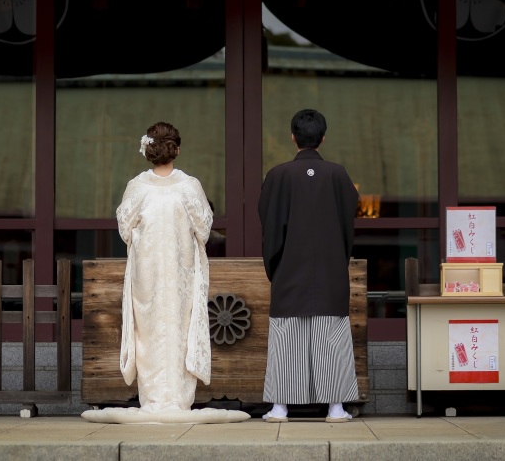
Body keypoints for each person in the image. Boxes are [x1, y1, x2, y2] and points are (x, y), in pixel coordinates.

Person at [81, 121, 249, 425]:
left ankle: (154, 398)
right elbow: (204, 228)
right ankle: (178, 399)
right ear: (177, 150)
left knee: (149, 332)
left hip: (147, 273)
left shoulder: (137, 187)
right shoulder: (189, 186)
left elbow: (124, 229)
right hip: (180, 272)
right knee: (180, 329)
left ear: (148, 149)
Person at [257, 109, 360, 423]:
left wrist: (276, 265)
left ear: (293, 137)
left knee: (287, 338)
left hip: (289, 270)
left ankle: (280, 408)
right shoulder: (339, 175)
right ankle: (335, 408)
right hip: (329, 270)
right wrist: (337, 259)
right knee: (331, 336)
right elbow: (348, 224)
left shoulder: (277, 175)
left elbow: (270, 225)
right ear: (323, 138)